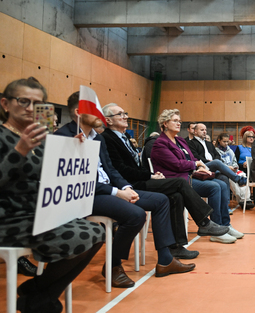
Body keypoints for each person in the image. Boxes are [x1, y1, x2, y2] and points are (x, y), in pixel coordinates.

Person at [0, 78, 105, 313]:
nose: (30, 108)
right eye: (23, 101)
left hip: (38, 214)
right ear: (5, 104)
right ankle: (34, 305)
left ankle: (36, 296)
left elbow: (56, 177)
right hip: (8, 217)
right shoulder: (4, 136)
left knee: (96, 231)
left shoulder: (44, 139)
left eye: (37, 104)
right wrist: (21, 149)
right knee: (78, 236)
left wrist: (74, 150)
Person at [56, 93, 195, 287]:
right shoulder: (64, 137)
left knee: (161, 200)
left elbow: (111, 170)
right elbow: (76, 181)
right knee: (136, 215)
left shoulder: (98, 139)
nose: (99, 112)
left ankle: (165, 260)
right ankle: (113, 266)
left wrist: (125, 186)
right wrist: (117, 192)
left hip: (111, 189)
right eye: (93, 108)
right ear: (79, 113)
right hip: (88, 195)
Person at [101, 103, 228, 259]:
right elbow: (120, 169)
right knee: (180, 184)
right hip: (129, 185)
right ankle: (203, 223)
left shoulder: (125, 137)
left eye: (125, 113)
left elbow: (136, 166)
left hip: (146, 179)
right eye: (120, 114)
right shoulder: (107, 138)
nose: (125, 116)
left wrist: (152, 175)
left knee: (177, 196)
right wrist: (149, 175)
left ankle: (176, 246)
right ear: (108, 120)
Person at [149, 110, 243, 243]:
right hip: (177, 180)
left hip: (190, 176)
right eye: (175, 121)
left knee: (222, 183)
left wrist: (199, 167)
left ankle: (225, 225)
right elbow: (177, 165)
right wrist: (195, 164)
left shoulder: (180, 140)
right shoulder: (160, 143)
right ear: (165, 124)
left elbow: (191, 158)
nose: (178, 123)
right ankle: (215, 229)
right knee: (215, 187)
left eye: (179, 121)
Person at [216, 132, 253, 209]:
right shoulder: (216, 151)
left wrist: (235, 167)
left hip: (233, 170)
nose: (226, 143)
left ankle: (247, 199)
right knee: (231, 180)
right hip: (222, 172)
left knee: (243, 176)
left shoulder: (230, 151)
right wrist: (228, 167)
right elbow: (218, 163)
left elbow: (234, 161)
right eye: (224, 141)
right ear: (219, 140)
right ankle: (241, 200)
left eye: (227, 141)